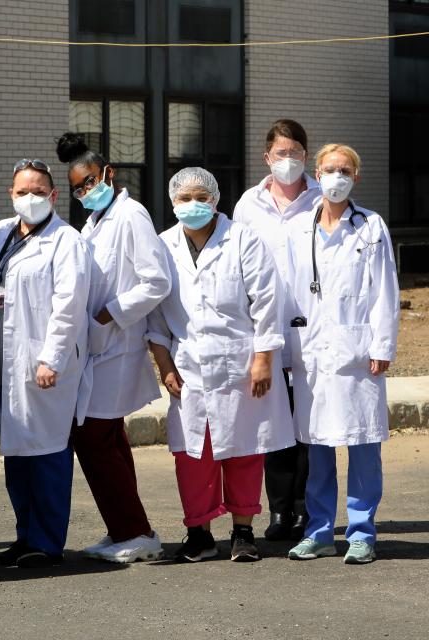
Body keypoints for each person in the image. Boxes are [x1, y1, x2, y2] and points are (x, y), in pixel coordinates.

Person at [146, 167, 294, 563]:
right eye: (184, 198)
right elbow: (156, 318)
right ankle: (199, 533)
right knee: (194, 454)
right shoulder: (162, 247)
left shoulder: (243, 240)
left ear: (215, 199)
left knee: (245, 450)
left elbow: (267, 301)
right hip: (189, 363)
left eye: (201, 197)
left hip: (242, 360)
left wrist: (264, 358)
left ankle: (243, 532)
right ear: (172, 201)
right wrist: (165, 366)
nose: (192, 205)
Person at [56, 133, 169, 563]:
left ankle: (135, 532)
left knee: (94, 440)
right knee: (110, 441)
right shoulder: (97, 221)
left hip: (117, 344)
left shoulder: (131, 215)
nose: (86, 191)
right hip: (100, 348)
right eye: (78, 187)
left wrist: (107, 315)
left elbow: (156, 281)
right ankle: (128, 527)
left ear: (109, 173)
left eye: (90, 181)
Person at [286, 144, 399, 565]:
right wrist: (284, 347)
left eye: (344, 170)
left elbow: (385, 290)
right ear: (317, 174)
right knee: (317, 448)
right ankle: (318, 532)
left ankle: (362, 532)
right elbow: (287, 292)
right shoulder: (300, 227)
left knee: (363, 446)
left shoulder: (370, 226)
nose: (336, 176)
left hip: (358, 352)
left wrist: (383, 345)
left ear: (356, 176)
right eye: (330, 169)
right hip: (312, 353)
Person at [0, 159, 90, 569]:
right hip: (6, 362)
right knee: (17, 455)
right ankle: (25, 534)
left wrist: (52, 358)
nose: (29, 198)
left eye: (37, 191)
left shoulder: (67, 241)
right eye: (21, 191)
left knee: (47, 454)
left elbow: (70, 306)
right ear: (10, 195)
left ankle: (47, 542)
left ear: (53, 195)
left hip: (45, 364)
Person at [233, 119, 321, 542]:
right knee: (273, 425)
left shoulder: (323, 199)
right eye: (281, 153)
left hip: (311, 328)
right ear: (267, 157)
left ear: (307, 155)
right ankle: (280, 511)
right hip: (265, 329)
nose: (289, 160)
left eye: (296, 153)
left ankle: (307, 512)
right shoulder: (249, 204)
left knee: (308, 426)